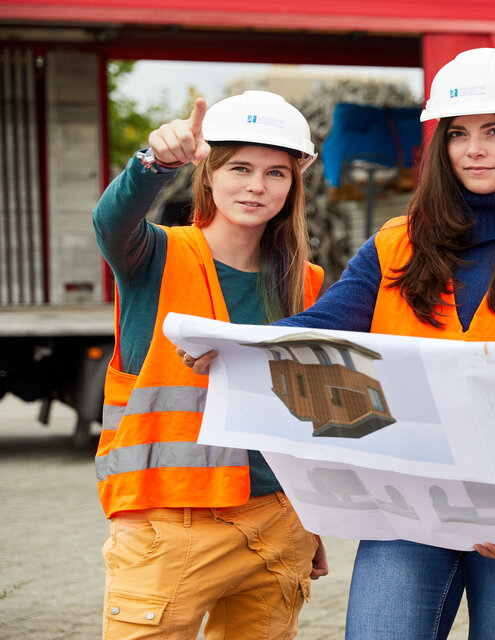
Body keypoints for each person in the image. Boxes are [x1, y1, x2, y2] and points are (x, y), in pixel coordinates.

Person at [186, 48, 495, 639]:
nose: (475, 149)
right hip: (413, 503)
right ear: (440, 147)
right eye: (459, 133)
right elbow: (323, 326)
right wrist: (233, 347)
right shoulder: (399, 244)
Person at [93, 90, 328, 639]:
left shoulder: (307, 283)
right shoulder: (156, 256)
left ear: (294, 184)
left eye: (276, 173)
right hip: (170, 521)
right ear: (208, 174)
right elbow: (111, 220)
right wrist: (156, 163)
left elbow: (304, 412)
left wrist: (312, 519)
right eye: (240, 168)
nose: (256, 186)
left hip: (278, 521)